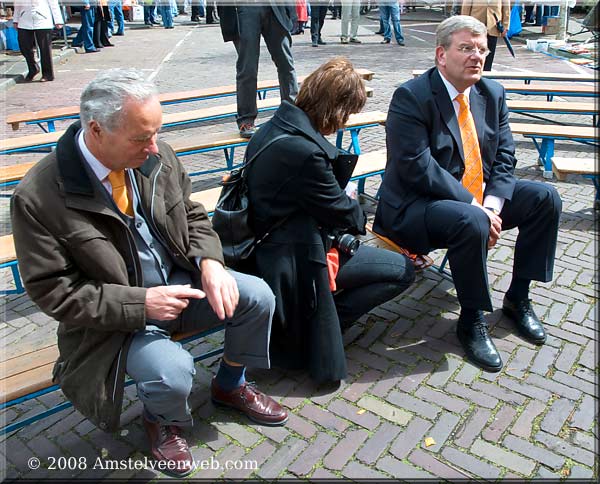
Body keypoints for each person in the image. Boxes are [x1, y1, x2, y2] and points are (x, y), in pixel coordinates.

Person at [10, 69, 287, 477]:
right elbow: (54, 292)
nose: (154, 146)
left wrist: (210, 262)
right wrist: (141, 304)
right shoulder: (38, 196)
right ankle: (162, 420)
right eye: (141, 138)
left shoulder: (155, 155)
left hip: (181, 284)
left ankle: (229, 384)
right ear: (96, 130)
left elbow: (191, 213)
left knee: (257, 296)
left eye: (156, 132)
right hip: (117, 323)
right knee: (172, 374)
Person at [373, 16, 561, 372]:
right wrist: (477, 206)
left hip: (473, 205)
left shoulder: (492, 94)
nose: (477, 56)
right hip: (415, 209)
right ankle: (471, 318)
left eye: (482, 49)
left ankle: (518, 298)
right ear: (441, 55)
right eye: (466, 48)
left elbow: (505, 155)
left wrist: (492, 204)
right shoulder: (410, 97)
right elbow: (417, 167)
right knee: (471, 219)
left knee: (544, 197)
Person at [245, 58, 415, 383]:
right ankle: (325, 326)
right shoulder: (305, 152)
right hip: (295, 261)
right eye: (347, 113)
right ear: (334, 107)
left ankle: (322, 321)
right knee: (402, 270)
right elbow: (347, 215)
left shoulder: (277, 125)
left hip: (273, 247)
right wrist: (353, 205)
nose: (345, 122)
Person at [218, 2, 298, 138]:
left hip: (274, 8)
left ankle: (293, 114)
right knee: (248, 68)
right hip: (244, 9)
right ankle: (246, 119)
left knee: (286, 64)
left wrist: (291, 9)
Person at [13, 0, 64, 82]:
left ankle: (47, 74)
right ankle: (33, 68)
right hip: (24, 18)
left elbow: (53, 3)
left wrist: (58, 20)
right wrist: (16, 19)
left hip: (43, 19)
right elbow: (17, 4)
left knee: (45, 48)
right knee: (24, 46)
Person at [461, 0, 510, 70]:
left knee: (489, 56)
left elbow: (506, 8)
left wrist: (505, 25)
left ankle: (487, 75)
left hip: (493, 26)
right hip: (475, 27)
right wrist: (465, 25)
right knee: (474, 54)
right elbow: (466, 7)